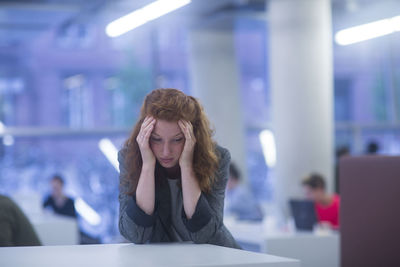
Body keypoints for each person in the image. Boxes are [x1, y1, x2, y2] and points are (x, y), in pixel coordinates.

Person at [118, 88, 240, 249]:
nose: (166, 151)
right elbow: (135, 234)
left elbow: (205, 234)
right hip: (163, 260)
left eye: (177, 140)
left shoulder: (218, 158)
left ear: (192, 136)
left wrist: (186, 166)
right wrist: (148, 166)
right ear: (145, 135)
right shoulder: (130, 157)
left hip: (215, 258)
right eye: (156, 139)